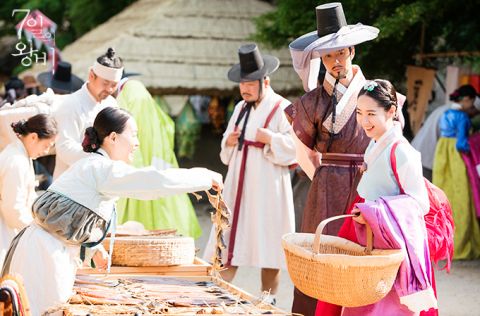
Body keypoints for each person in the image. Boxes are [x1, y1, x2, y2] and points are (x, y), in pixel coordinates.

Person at [1, 107, 222, 315]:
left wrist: (92, 248)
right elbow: (154, 182)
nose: (136, 143)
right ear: (113, 138)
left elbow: (73, 217)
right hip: (43, 255)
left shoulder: (92, 166)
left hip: (42, 249)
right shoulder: (101, 169)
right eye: (133, 135)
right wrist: (203, 177)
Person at [287, 3, 380, 314]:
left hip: (369, 184)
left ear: (352, 51)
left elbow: (390, 140)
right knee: (320, 254)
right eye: (329, 55)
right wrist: (326, 177)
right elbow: (304, 154)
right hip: (325, 185)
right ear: (322, 59)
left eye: (341, 53)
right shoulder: (312, 101)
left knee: (363, 256)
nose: (336, 61)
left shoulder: (378, 93)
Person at [203, 44, 296, 304]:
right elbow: (225, 150)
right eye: (242, 84)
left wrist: (271, 139)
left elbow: (295, 149)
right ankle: (216, 295)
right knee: (231, 237)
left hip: (269, 185)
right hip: (238, 184)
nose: (245, 89)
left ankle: (269, 300)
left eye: (250, 84)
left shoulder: (282, 108)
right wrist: (229, 143)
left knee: (269, 241)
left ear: (265, 81)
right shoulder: (240, 109)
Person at [346, 79, 437, 315]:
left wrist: (375, 213)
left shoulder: (402, 151)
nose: (364, 121)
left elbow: (419, 204)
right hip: (369, 242)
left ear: (391, 111)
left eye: (371, 114)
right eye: (359, 113)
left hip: (392, 247)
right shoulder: (373, 145)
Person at [116, 79, 202, 238]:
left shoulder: (131, 102)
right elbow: (169, 129)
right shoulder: (150, 105)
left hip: (135, 168)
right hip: (159, 166)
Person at [53, 48, 122, 178]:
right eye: (105, 83)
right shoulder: (71, 104)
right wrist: (99, 156)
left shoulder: (112, 104)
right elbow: (64, 148)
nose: (109, 89)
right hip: (71, 181)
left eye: (114, 85)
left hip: (103, 177)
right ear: (91, 75)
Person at [0, 114, 57, 266]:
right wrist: (36, 231)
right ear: (33, 137)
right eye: (46, 146)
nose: (46, 152)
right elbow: (13, 209)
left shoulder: (21, 155)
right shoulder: (16, 161)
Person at [433, 85, 480, 260]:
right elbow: (461, 144)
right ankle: (461, 244)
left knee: (445, 200)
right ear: (466, 100)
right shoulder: (462, 117)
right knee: (462, 199)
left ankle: (444, 244)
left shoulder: (445, 114)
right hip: (456, 157)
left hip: (442, 153)